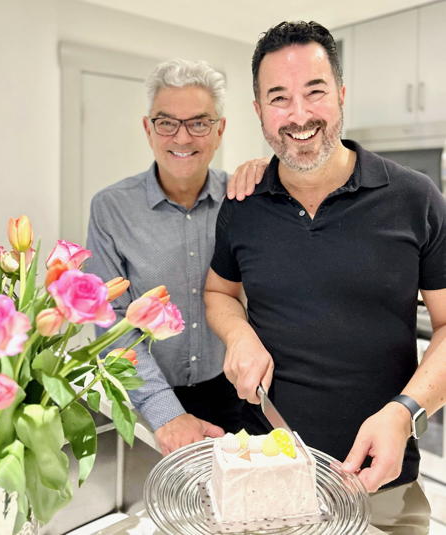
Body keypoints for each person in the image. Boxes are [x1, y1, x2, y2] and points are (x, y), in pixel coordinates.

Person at [204, 21, 446, 535]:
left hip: (383, 490)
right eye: (279, 98)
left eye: (315, 92)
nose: (298, 115)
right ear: (258, 111)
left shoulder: (415, 198)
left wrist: (406, 411)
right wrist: (238, 332)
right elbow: (219, 291)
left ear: (339, 94)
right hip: (263, 477)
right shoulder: (241, 206)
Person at [86, 58, 266, 456]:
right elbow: (110, 320)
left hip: (235, 392)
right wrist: (164, 411)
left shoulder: (245, 200)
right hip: (148, 396)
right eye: (167, 122)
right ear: (148, 129)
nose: (183, 138)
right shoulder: (111, 208)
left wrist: (276, 172)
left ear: (219, 130)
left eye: (199, 123)